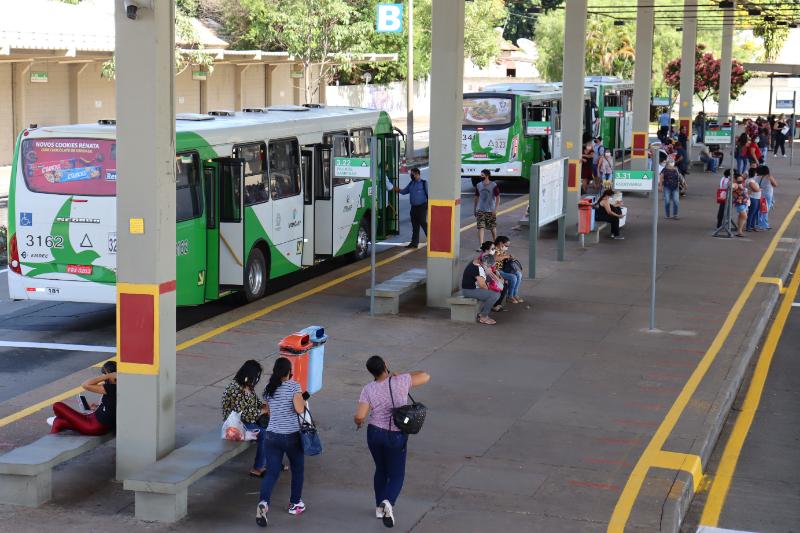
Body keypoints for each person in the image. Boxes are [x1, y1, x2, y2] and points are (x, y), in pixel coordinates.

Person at [354, 356, 430, 528]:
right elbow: (425, 376)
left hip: (374, 433)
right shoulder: (400, 381)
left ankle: (379, 507)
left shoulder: (368, 389)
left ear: (371, 372)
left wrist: (358, 422)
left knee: (381, 469)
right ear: (385, 365)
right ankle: (388, 502)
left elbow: (360, 416)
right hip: (396, 435)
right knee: (397, 474)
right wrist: (400, 375)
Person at [256, 357, 307, 527]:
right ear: (289, 372)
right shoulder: (294, 386)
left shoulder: (268, 389)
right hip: (291, 436)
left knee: (271, 473)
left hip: (271, 436)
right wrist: (303, 400)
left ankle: (263, 503)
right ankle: (295, 504)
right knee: (297, 469)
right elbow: (299, 409)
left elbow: (270, 413)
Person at [222, 360, 267, 477]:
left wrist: (265, 407)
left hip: (249, 420)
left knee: (274, 427)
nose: (257, 379)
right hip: (237, 425)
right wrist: (262, 411)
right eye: (256, 376)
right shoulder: (235, 389)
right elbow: (243, 415)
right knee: (264, 434)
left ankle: (272, 461)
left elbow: (256, 403)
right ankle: (258, 468)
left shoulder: (248, 386)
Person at [49, 361, 116, 435]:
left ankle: (62, 417)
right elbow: (111, 407)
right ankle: (52, 438)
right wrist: (97, 407)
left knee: (57, 405)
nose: (104, 378)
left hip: (94, 426)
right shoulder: (117, 387)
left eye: (104, 374)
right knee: (58, 422)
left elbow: (85, 385)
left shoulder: (112, 388)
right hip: (95, 419)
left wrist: (108, 376)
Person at [461, 252, 498, 325]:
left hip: (472, 288)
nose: (489, 268)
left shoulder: (477, 262)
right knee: (494, 295)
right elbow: (482, 285)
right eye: (488, 266)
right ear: (484, 264)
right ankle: (483, 316)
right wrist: (490, 291)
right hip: (468, 291)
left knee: (494, 292)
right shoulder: (478, 268)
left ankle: (483, 312)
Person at [396, 167, 428, 249]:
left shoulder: (424, 183)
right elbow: (404, 191)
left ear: (418, 174)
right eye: (411, 174)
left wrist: (428, 206)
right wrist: (396, 189)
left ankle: (432, 241)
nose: (411, 176)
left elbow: (428, 195)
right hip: (413, 207)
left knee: (423, 223)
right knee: (415, 225)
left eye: (413, 174)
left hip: (422, 206)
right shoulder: (411, 183)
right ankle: (414, 243)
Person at [473, 169, 500, 248]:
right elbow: (476, 197)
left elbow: (498, 197)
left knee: (492, 228)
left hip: (490, 210)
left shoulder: (493, 185)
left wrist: (495, 209)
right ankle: (482, 245)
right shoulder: (478, 185)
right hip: (480, 210)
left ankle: (495, 243)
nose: (480, 176)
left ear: (487, 176)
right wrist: (475, 209)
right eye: (481, 175)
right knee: (480, 227)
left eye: (482, 175)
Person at [494, 236, 524, 304]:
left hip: (503, 269)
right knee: (513, 277)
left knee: (519, 274)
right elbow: (495, 258)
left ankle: (514, 294)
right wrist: (506, 256)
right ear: (501, 243)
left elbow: (503, 260)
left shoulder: (502, 250)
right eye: (506, 245)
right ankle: (509, 296)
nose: (507, 247)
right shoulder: (494, 249)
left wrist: (509, 258)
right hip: (496, 270)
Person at [756, 165, 777, 230]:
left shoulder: (757, 177)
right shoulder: (769, 177)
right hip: (767, 195)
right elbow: (775, 185)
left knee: (760, 209)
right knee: (765, 210)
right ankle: (764, 225)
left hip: (760, 195)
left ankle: (759, 223)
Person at [732, 173, 749, 237]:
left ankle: (739, 230)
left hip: (744, 202)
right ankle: (739, 231)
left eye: (741, 179)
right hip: (739, 203)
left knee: (741, 217)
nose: (741, 180)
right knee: (744, 216)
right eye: (739, 179)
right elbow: (732, 186)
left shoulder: (741, 183)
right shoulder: (736, 184)